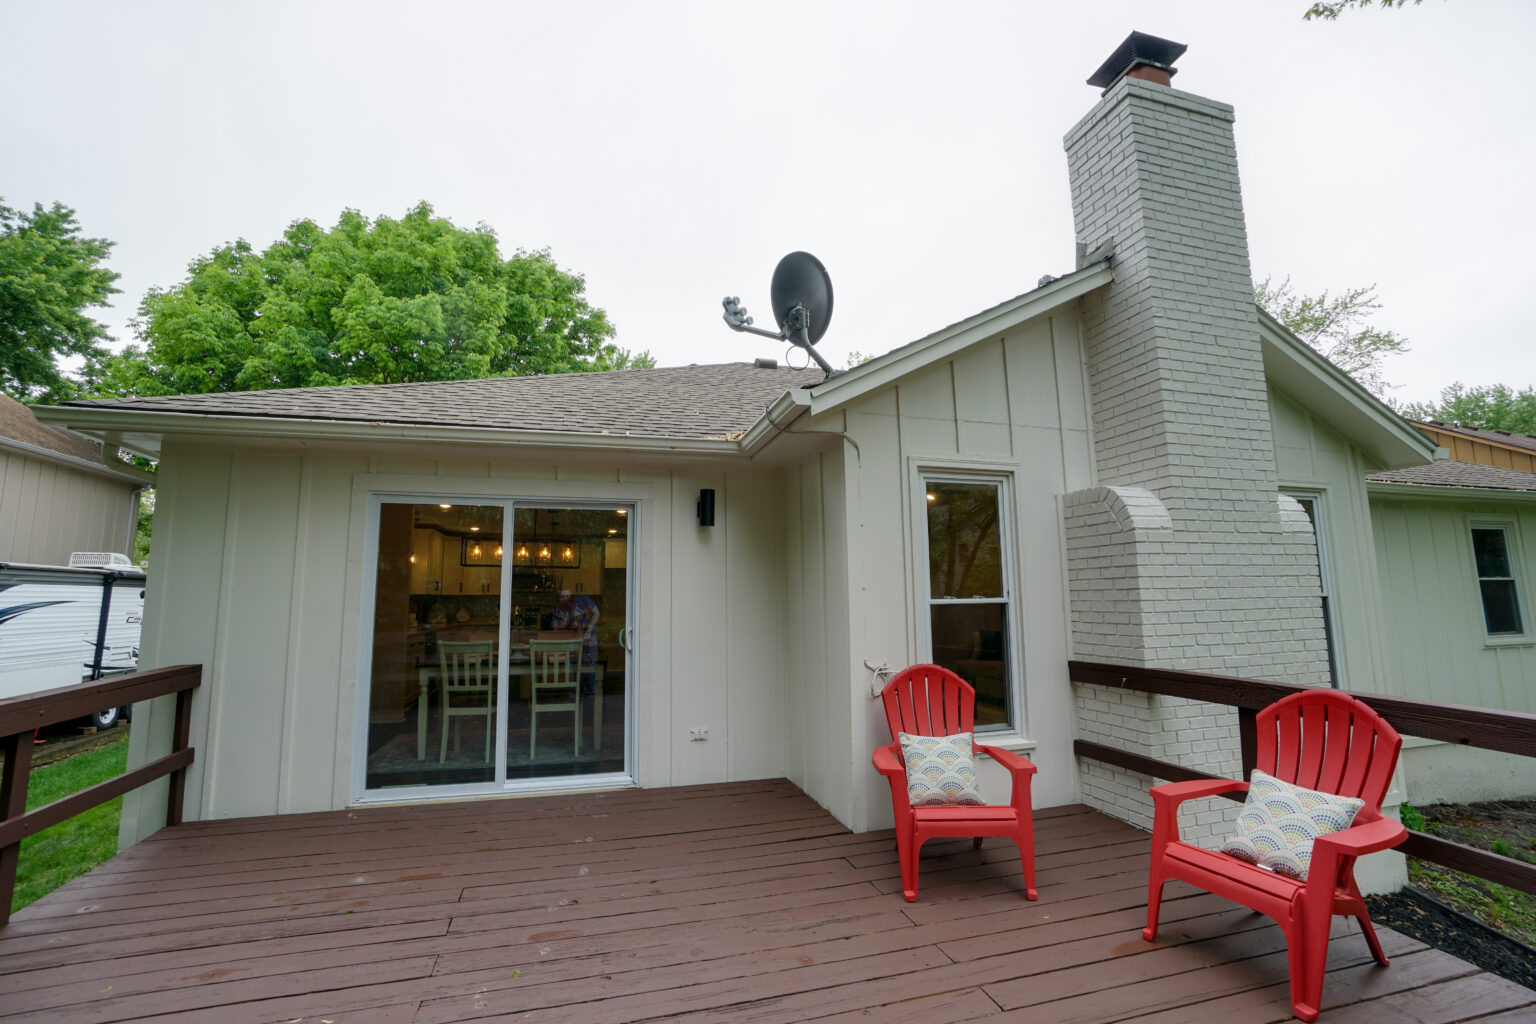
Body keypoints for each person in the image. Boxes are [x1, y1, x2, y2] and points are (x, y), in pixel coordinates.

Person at [551, 589, 599, 694]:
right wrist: (564, 625)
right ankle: (572, 693)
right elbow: (557, 626)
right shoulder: (560, 608)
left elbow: (596, 613)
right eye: (561, 597)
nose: (563, 599)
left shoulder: (583, 600)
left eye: (565, 597)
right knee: (571, 666)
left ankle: (589, 695)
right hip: (572, 639)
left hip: (588, 639)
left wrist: (589, 630)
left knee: (588, 667)